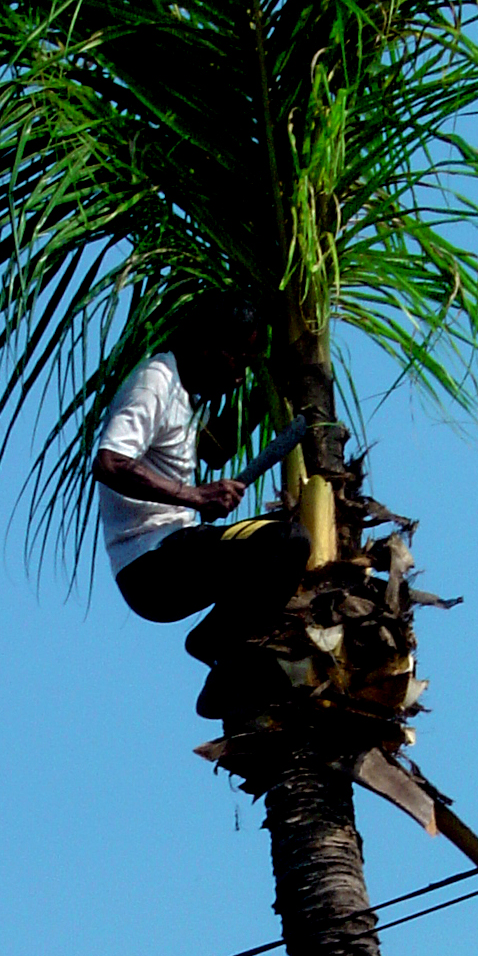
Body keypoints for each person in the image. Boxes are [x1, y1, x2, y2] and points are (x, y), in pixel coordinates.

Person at [93, 296, 311, 706]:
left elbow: (214, 450)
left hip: (174, 556)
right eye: (241, 361)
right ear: (210, 347)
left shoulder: (187, 394)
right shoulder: (156, 380)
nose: (239, 377)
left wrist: (274, 390)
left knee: (279, 543)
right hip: (152, 564)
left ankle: (221, 662)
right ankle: (217, 647)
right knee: (287, 542)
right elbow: (110, 462)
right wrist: (194, 495)